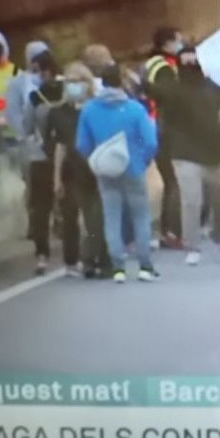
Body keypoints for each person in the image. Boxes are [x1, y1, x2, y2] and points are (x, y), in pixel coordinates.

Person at [76, 65, 160, 284]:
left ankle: (118, 266)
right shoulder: (135, 109)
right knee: (140, 215)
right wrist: (143, 160)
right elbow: (151, 142)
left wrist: (96, 159)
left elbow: (82, 144)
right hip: (134, 167)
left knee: (111, 216)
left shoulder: (89, 110)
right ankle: (145, 265)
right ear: (121, 82)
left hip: (106, 170)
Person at [162, 47, 220, 266]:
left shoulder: (212, 88)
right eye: (186, 63)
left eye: (194, 62)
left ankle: (218, 237)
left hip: (213, 152)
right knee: (191, 201)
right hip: (185, 152)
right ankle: (192, 245)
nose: (190, 67)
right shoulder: (174, 90)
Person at [45, 62, 111, 279]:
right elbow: (60, 147)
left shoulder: (98, 108)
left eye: (78, 81)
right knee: (85, 218)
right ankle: (89, 260)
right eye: (69, 82)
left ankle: (99, 259)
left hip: (98, 168)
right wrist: (56, 179)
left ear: (87, 83)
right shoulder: (59, 113)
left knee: (97, 218)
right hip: (74, 172)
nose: (73, 86)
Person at [144, 26, 185, 250]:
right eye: (178, 40)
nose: (181, 43)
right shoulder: (164, 68)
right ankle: (172, 232)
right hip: (166, 129)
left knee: (170, 181)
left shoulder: (151, 64)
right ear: (167, 43)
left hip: (155, 126)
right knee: (174, 181)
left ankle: (168, 231)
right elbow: (170, 97)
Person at [25, 50, 65, 274]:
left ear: (45, 71)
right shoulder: (69, 91)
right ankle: (73, 254)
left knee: (40, 209)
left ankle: (42, 256)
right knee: (70, 205)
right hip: (68, 155)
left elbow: (27, 127)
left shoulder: (35, 98)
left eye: (35, 71)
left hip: (42, 157)